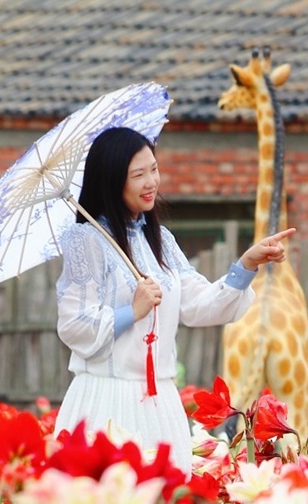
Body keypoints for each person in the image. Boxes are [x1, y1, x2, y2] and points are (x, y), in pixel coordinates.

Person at [53, 126, 293, 473]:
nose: (151, 181)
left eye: (153, 168)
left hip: (159, 403)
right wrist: (132, 311)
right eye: (138, 174)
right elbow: (73, 323)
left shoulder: (160, 240)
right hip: (106, 401)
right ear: (111, 181)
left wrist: (246, 265)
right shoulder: (85, 240)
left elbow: (198, 304)